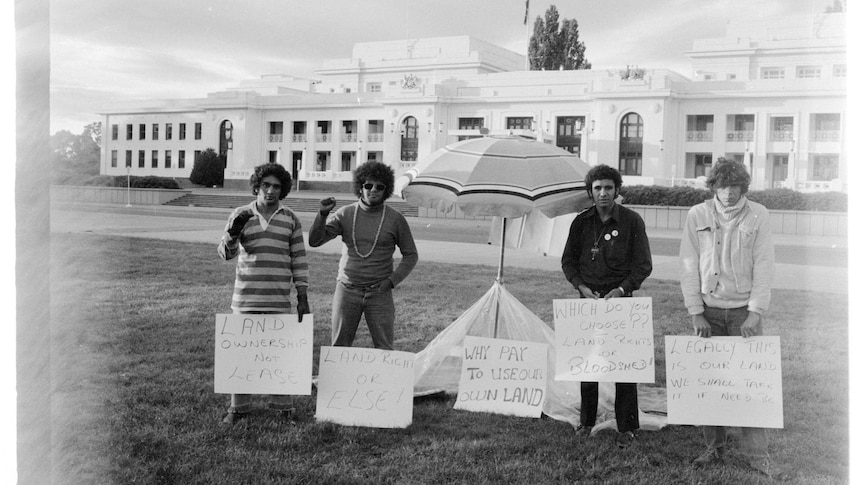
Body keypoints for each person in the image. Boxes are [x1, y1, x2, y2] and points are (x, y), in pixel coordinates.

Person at [680, 158, 792, 480]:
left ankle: (758, 454)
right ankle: (713, 448)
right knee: (710, 384)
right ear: (713, 186)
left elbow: (764, 265)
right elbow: (688, 264)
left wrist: (755, 312)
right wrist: (696, 312)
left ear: (744, 187)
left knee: (750, 385)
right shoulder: (697, 214)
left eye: (735, 186)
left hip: (744, 311)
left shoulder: (759, 214)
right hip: (709, 312)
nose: (728, 193)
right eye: (722, 185)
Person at [560, 164, 653, 448]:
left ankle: (626, 426)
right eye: (597, 188)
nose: (603, 193)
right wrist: (581, 286)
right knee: (588, 364)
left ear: (617, 190)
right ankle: (586, 421)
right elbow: (568, 261)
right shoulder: (581, 222)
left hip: (620, 302)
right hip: (588, 302)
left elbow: (643, 265)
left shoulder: (632, 221)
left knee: (624, 366)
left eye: (608, 188)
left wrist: (622, 289)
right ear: (590, 191)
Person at [217, 163, 310, 425]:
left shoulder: (290, 218)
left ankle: (282, 409)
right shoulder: (240, 213)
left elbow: (298, 259)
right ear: (257, 186)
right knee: (242, 355)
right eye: (265, 185)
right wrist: (233, 233)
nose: (270, 191)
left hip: (279, 299)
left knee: (279, 355)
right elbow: (226, 255)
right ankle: (238, 409)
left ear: (283, 190)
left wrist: (302, 296)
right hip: (246, 298)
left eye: (276, 187)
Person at [308, 161, 418, 350]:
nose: (373, 190)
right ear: (360, 187)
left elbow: (411, 254)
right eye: (368, 185)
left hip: (379, 293)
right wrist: (322, 215)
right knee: (339, 347)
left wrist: (391, 281)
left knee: (384, 348)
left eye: (379, 187)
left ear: (386, 190)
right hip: (347, 289)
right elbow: (315, 241)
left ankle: (383, 380)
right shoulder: (345, 213)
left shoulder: (396, 219)